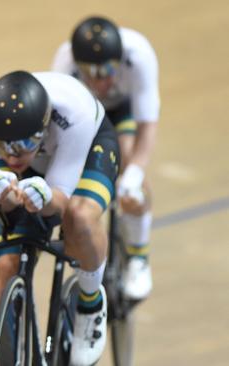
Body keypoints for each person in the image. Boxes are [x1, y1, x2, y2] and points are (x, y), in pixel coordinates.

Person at [0, 70, 119, 365]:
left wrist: (45, 196)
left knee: (78, 216)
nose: (13, 156)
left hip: (89, 148)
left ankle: (91, 304)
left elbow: (60, 202)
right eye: (4, 146)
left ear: (43, 130)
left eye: (24, 146)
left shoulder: (74, 113)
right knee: (6, 266)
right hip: (34, 168)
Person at [52, 15, 160, 300]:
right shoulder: (65, 60)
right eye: (92, 72)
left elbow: (147, 125)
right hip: (87, 113)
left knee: (127, 158)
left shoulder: (139, 56)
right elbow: (60, 122)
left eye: (108, 70)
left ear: (120, 60)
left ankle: (139, 255)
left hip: (123, 109)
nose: (101, 80)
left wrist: (134, 173)